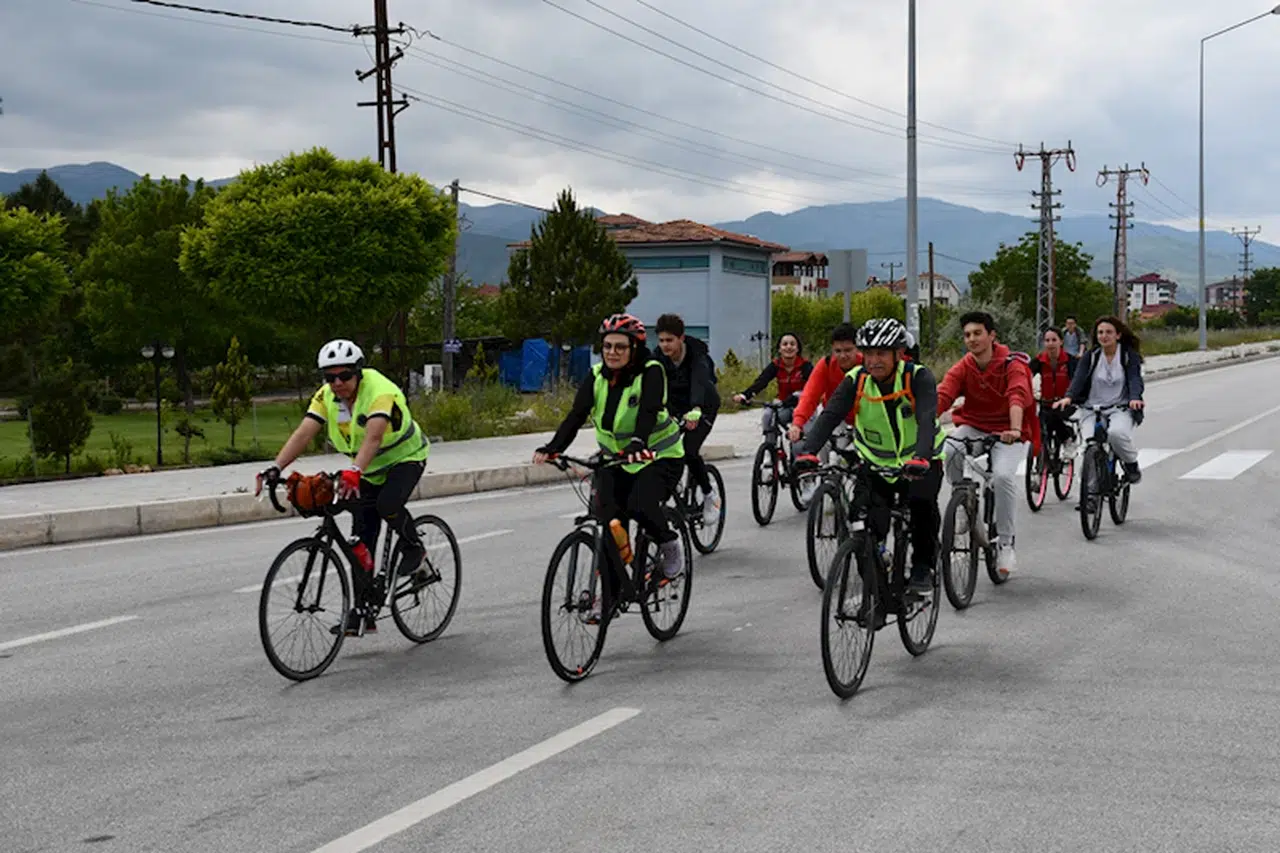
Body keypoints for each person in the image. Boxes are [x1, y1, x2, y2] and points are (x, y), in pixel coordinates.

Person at [258, 338, 430, 636]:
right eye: (330, 377)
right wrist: (276, 467)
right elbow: (303, 433)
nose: (337, 383)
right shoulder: (327, 397)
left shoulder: (379, 390)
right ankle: (364, 611)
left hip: (404, 458)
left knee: (387, 505)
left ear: (359, 372)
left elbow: (373, 438)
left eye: (344, 376)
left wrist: (353, 471)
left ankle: (416, 548)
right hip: (367, 467)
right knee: (359, 537)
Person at [793, 318, 944, 594]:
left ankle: (924, 565)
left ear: (898, 354)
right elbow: (829, 416)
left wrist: (921, 457)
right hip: (875, 464)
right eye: (870, 353)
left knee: (922, 505)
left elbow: (925, 418)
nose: (874, 361)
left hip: (918, 462)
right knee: (863, 523)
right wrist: (808, 452)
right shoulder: (856, 379)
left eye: (882, 353)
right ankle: (875, 592)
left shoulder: (917, 377)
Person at [534, 313, 686, 585]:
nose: (612, 353)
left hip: (659, 456)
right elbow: (576, 415)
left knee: (640, 504)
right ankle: (610, 594)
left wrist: (639, 442)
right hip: (615, 459)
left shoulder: (651, 371)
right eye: (607, 346)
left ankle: (669, 545)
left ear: (634, 349)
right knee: (605, 516)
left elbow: (648, 411)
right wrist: (552, 448)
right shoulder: (596, 376)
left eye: (620, 347)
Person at [936, 311, 1035, 579]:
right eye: (967, 335)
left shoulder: (1011, 364)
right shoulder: (964, 366)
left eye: (977, 333)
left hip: (1008, 430)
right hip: (975, 425)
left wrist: (1014, 428)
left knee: (1003, 477)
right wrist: (922, 418)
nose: (972, 339)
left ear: (992, 336)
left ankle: (1005, 543)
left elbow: (1018, 395)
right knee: (950, 449)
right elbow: (944, 394)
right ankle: (962, 499)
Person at [1054, 315, 1145, 483]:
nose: (1104, 336)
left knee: (1116, 434)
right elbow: (1079, 379)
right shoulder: (1091, 356)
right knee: (1090, 446)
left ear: (1118, 335)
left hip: (1120, 408)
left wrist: (1134, 398)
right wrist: (1068, 397)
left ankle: (1131, 463)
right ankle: (1090, 494)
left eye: (1109, 332)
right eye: (1100, 332)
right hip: (1091, 408)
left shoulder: (1127, 355)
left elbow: (1134, 378)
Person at [653, 313, 722, 527]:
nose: (665, 345)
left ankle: (710, 495)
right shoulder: (658, 359)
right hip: (676, 408)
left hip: (704, 407)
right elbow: (654, 387)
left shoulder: (697, 356)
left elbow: (699, 381)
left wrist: (696, 407)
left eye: (669, 340)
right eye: (662, 340)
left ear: (681, 338)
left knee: (689, 450)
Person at [786, 323, 864, 452]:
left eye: (848, 350)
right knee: (822, 450)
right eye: (838, 351)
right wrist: (797, 424)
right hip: (835, 418)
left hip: (863, 419)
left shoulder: (867, 365)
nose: (843, 356)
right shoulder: (826, 365)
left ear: (858, 349)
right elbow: (810, 395)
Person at [732, 332, 813, 445]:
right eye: (785, 344)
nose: (788, 347)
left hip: (803, 405)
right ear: (779, 349)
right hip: (783, 405)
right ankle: (770, 450)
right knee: (768, 415)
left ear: (798, 348)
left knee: (803, 441)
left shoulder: (805, 366)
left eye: (792, 344)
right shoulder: (775, 365)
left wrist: (799, 395)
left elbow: (813, 386)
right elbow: (761, 382)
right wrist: (745, 395)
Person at [1030, 326, 1080, 456]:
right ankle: (1040, 461)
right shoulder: (1038, 361)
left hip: (1066, 404)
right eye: (1047, 340)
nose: (1050, 344)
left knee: (1053, 417)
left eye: (1054, 340)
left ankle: (1068, 438)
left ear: (1061, 342)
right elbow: (1025, 377)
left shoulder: (1071, 362)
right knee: (1039, 427)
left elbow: (1079, 382)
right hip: (1045, 403)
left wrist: (1074, 397)